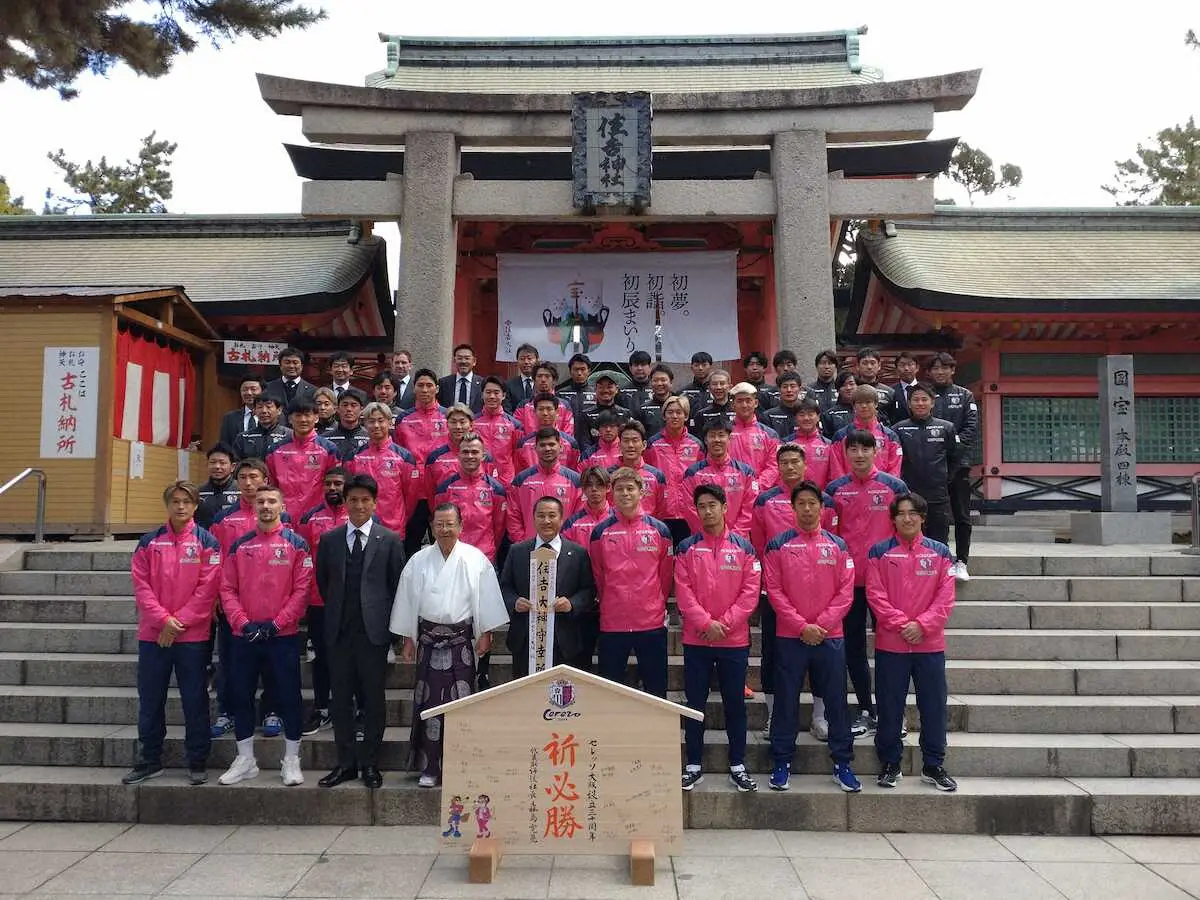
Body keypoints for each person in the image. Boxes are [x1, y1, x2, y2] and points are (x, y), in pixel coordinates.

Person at [391, 503, 509, 787]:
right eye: (439, 525)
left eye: (449, 524)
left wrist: (486, 632)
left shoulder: (475, 558)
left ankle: (461, 764)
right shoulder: (418, 560)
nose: (444, 530)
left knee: (462, 702)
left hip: (461, 641)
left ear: (461, 526)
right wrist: (408, 637)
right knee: (429, 703)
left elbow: (487, 597)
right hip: (429, 641)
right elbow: (408, 601)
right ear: (431, 527)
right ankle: (429, 766)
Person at [763, 480, 860, 793]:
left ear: (822, 508)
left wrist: (822, 624)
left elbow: (846, 593)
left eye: (812, 503)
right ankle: (781, 762)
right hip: (790, 636)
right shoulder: (778, 545)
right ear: (793, 508)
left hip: (830, 637)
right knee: (786, 702)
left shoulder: (838, 546)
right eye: (801, 503)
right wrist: (801, 625)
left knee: (836, 701)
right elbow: (774, 591)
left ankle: (842, 763)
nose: (806, 509)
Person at [123, 481, 221, 786]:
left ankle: (197, 759)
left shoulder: (208, 542)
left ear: (195, 506)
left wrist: (177, 623)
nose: (180, 507)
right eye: (175, 501)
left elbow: (208, 590)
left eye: (186, 502)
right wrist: (163, 622)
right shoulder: (149, 542)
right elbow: (142, 587)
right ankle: (149, 759)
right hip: (154, 636)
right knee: (150, 700)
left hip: (193, 638)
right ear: (167, 505)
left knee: (195, 700)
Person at [314, 474, 407, 789]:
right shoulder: (330, 540)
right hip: (339, 633)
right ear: (346, 503)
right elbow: (324, 583)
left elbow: (397, 588)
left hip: (374, 634)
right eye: (353, 500)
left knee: (372, 701)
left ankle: (369, 763)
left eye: (365, 500)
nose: (358, 505)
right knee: (340, 701)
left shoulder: (390, 540)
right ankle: (346, 764)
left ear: (374, 503)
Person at [217, 484, 312, 787]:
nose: (266, 506)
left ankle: (292, 759)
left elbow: (302, 590)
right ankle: (245, 759)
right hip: (244, 635)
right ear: (253, 506)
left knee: (288, 697)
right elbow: (227, 589)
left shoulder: (297, 544)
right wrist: (243, 623)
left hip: (281, 635)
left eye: (272, 501)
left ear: (282, 507)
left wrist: (276, 623)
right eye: (261, 501)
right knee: (241, 696)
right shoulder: (240, 545)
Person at [867, 493, 957, 792]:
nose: (907, 518)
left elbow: (946, 598)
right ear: (892, 518)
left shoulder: (940, 553)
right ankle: (890, 762)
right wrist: (901, 624)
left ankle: (933, 764)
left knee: (933, 705)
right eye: (901, 513)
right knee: (890, 705)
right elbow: (876, 596)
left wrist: (923, 625)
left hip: (929, 644)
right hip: (891, 643)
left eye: (912, 513)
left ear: (922, 517)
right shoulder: (879, 553)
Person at [675, 484, 760, 793]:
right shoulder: (686, 548)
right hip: (697, 640)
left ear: (725, 507)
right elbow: (683, 593)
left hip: (733, 640)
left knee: (735, 703)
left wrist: (722, 624)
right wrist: (704, 623)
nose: (707, 511)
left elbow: (750, 594)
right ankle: (693, 765)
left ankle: (737, 764)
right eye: (702, 506)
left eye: (713, 505)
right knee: (694, 703)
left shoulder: (744, 548)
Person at [826, 430, 909, 738]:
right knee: (854, 649)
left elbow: (905, 531)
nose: (859, 454)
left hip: (885, 581)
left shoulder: (894, 487)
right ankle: (865, 709)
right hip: (848, 583)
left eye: (865, 449)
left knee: (890, 649)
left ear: (876, 452)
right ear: (846, 454)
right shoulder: (835, 490)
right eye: (853, 450)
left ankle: (893, 713)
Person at [750, 443, 838, 734]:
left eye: (794, 462)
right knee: (773, 655)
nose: (789, 467)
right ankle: (774, 715)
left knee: (820, 657)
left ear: (805, 465)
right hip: (777, 592)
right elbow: (759, 544)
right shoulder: (765, 501)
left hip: (819, 593)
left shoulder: (822, 500)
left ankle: (820, 717)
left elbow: (832, 547)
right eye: (784, 462)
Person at [210, 458, 286, 739]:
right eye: (242, 477)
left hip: (271, 603)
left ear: (265, 478)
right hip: (234, 604)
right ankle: (227, 712)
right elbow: (215, 559)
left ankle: (272, 710)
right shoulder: (223, 518)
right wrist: (217, 595)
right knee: (230, 662)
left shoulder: (279, 518)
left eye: (254, 477)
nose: (248, 483)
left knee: (272, 664)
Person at [590, 468, 674, 698]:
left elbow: (665, 576)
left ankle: (655, 734)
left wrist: (656, 602)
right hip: (613, 622)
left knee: (656, 688)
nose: (625, 494)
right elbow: (599, 576)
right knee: (611, 691)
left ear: (642, 492)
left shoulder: (660, 530)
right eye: (619, 489)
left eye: (630, 489)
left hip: (650, 621)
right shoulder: (600, 533)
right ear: (611, 494)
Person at [501, 496, 597, 676]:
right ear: (533, 518)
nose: (546, 521)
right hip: (526, 640)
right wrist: (515, 602)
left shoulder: (577, 553)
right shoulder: (518, 551)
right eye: (541, 515)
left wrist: (572, 603)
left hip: (565, 639)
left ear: (561, 519)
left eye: (552, 515)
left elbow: (588, 591)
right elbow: (505, 587)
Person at [297, 467, 351, 736]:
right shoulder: (310, 518)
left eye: (338, 483)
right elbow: (304, 560)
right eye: (328, 483)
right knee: (321, 657)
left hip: (351, 602)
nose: (332, 488)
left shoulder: (357, 516)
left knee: (352, 657)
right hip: (319, 601)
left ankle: (350, 707)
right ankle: (321, 708)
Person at [929, 352, 979, 582]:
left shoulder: (965, 395)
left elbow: (970, 427)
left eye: (944, 368)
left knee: (961, 514)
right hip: (930, 466)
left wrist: (951, 448)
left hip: (959, 464)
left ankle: (962, 561)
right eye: (935, 368)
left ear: (952, 370)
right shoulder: (923, 394)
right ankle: (938, 558)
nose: (940, 372)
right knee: (934, 515)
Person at [893, 383, 958, 549]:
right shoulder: (898, 429)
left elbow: (954, 459)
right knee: (908, 540)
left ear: (932, 402)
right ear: (909, 403)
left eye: (924, 399)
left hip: (938, 495)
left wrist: (944, 481)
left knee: (939, 541)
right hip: (908, 495)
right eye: (916, 400)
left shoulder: (946, 428)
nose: (920, 403)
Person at [346, 402, 422, 540]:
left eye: (381, 420)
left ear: (389, 422)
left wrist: (400, 518)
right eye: (371, 421)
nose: (376, 425)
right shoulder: (353, 457)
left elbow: (411, 497)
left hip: (394, 528)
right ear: (364, 424)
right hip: (361, 526)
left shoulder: (405, 457)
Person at [394, 369, 449, 556]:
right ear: (414, 389)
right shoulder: (403, 419)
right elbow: (399, 457)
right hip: (413, 493)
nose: (425, 390)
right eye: (420, 385)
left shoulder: (448, 417)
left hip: (440, 489)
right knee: (410, 545)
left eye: (429, 385)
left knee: (443, 545)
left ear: (437, 388)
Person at [433, 433, 507, 564]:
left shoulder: (496, 489)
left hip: (484, 557)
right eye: (465, 452)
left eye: (474, 452)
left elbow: (499, 528)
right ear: (458, 455)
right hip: (452, 556)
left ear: (483, 455)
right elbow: (440, 522)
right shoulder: (445, 488)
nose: (470, 456)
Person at [681, 418, 759, 537]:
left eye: (721, 435)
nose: (717, 440)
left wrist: (734, 536)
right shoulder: (692, 474)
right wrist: (707, 534)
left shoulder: (746, 472)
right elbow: (689, 509)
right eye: (712, 436)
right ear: (706, 440)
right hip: (703, 541)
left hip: (738, 542)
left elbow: (750, 507)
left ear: (730, 439)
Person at [266, 398, 339, 521]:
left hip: (317, 517)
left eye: (307, 415)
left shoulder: (329, 449)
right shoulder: (275, 450)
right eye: (298, 415)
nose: (303, 420)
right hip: (284, 516)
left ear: (316, 417)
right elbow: (271, 485)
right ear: (289, 419)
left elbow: (335, 485)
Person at [645, 396, 704, 546]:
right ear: (664, 416)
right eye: (670, 412)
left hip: (689, 511)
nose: (674, 416)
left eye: (679, 412)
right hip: (661, 511)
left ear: (686, 416)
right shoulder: (653, 444)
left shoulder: (696, 444)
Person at [508, 427, 582, 542]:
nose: (547, 449)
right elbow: (513, 516)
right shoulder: (521, 480)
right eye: (542, 445)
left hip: (564, 547)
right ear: (535, 448)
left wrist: (568, 544)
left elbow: (579, 517)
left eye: (551, 444)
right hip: (531, 547)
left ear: (560, 447)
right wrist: (523, 543)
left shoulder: (576, 481)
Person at [828, 386, 904, 481]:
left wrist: (885, 488)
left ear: (876, 404)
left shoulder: (890, 436)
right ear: (854, 406)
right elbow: (836, 470)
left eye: (868, 402)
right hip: (849, 492)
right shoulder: (841, 435)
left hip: (882, 491)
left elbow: (894, 471)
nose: (864, 406)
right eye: (859, 403)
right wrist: (845, 489)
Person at [727, 382, 781, 490]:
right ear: (732, 405)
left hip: (760, 493)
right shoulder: (723, 433)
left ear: (755, 403)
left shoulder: (770, 434)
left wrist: (756, 486)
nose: (744, 405)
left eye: (748, 400)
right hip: (730, 490)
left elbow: (774, 466)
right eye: (740, 401)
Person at [609, 420, 665, 518]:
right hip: (615, 529)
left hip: (647, 531)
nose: (630, 445)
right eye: (626, 441)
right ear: (619, 445)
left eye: (635, 440)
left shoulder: (656, 475)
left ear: (644, 445)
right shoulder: (608, 475)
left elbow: (661, 511)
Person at [474, 376, 524, 484]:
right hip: (478, 479)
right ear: (482, 395)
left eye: (496, 393)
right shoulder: (472, 422)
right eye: (488, 392)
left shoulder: (515, 424)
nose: (492, 396)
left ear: (504, 395)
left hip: (506, 480)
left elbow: (518, 455)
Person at [516, 394, 580, 471]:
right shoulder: (523, 444)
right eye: (541, 409)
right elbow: (520, 474)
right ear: (534, 412)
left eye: (549, 409)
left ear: (557, 411)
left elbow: (573, 472)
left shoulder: (571, 443)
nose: (545, 413)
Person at [782, 398, 834, 489]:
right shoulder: (785, 444)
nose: (806, 418)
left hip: (820, 498)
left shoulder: (828, 445)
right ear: (795, 418)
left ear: (818, 417)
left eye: (810, 414)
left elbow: (833, 475)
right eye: (802, 415)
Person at [575, 373, 631, 454]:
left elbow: (628, 439)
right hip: (594, 459)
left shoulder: (625, 413)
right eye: (601, 387)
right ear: (595, 390)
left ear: (616, 389)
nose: (605, 391)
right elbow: (584, 443)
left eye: (609, 387)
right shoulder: (586, 414)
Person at [516, 363, 575, 437]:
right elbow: (518, 435)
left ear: (554, 380)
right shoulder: (523, 405)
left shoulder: (565, 405)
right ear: (534, 380)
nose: (543, 380)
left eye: (547, 376)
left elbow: (568, 435)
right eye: (539, 376)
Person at [232, 393, 291, 461]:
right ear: (254, 411)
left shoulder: (289, 436)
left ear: (279, 410)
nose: (264, 411)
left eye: (268, 407)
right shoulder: (243, 437)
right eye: (260, 407)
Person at [195, 443, 239, 529]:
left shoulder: (241, 491)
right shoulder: (197, 492)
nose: (217, 466)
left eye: (222, 463)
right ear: (207, 464)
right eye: (213, 462)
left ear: (233, 467)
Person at [322, 387, 370, 461]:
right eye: (345, 405)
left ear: (361, 409)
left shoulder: (369, 438)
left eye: (353, 405)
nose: (349, 409)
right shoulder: (325, 439)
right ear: (337, 409)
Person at [438, 343, 485, 413]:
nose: (463, 362)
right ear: (454, 361)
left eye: (467, 358)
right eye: (459, 358)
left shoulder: (483, 383)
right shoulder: (444, 383)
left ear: (474, 361)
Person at [757, 373, 808, 438]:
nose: (789, 390)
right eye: (785, 387)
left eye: (792, 386)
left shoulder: (806, 416)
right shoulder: (768, 416)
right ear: (779, 390)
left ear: (800, 389)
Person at [219, 375, 264, 447]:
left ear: (263, 391)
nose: (249, 393)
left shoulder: (272, 416)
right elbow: (224, 445)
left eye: (253, 389)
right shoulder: (230, 418)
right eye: (245, 389)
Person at [688, 369, 733, 438]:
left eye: (722, 383)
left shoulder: (738, 412)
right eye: (714, 384)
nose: (718, 387)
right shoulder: (701, 414)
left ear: (730, 387)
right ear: (709, 388)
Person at [854, 348, 894, 422]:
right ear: (857, 366)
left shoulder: (889, 392)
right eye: (865, 363)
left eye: (873, 363)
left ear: (879, 366)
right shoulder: (852, 390)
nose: (869, 367)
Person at [634, 365, 675, 435]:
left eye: (663, 380)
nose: (659, 384)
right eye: (655, 380)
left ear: (671, 382)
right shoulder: (643, 409)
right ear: (650, 383)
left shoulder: (680, 406)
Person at [887, 352, 921, 425]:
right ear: (896, 369)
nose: (906, 368)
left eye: (910, 364)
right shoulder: (891, 391)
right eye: (902, 365)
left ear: (917, 368)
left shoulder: (926, 389)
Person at [820, 372, 857, 439]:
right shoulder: (829, 414)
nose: (848, 388)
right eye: (843, 385)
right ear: (838, 390)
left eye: (851, 384)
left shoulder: (865, 410)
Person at [504, 343, 539, 411]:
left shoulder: (542, 383)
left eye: (529, 358)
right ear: (517, 361)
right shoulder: (509, 385)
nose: (526, 362)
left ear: (537, 360)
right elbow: (507, 410)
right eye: (522, 359)